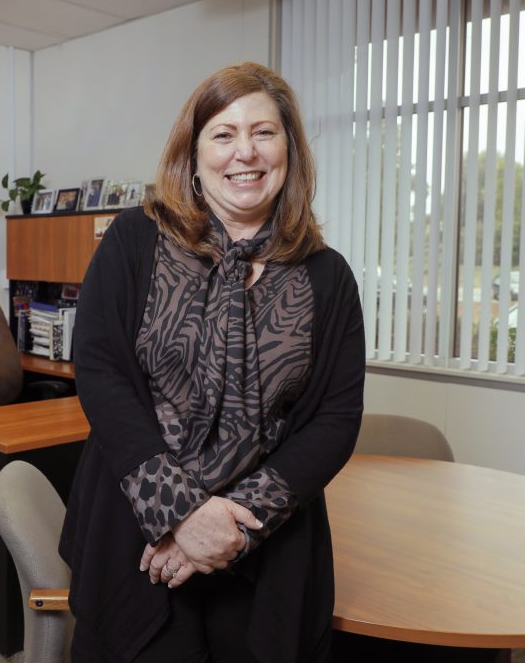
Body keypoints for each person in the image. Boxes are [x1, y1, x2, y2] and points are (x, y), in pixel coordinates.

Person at [60, 61, 365, 662]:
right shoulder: (133, 239)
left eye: (264, 133)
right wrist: (178, 513)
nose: (244, 152)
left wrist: (228, 525)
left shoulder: (328, 277)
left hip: (268, 546)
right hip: (135, 532)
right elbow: (100, 372)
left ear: (289, 150)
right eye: (223, 135)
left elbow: (334, 420)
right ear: (192, 155)